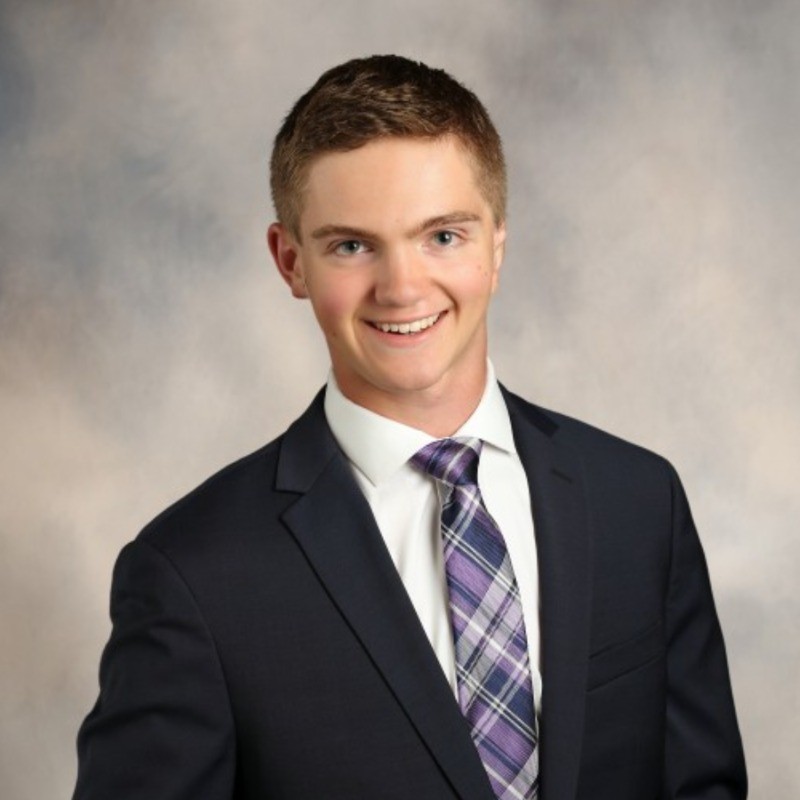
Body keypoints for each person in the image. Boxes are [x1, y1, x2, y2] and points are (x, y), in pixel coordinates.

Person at [72, 55, 747, 800]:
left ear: (496, 243)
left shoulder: (638, 501)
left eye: (443, 237)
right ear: (291, 261)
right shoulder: (192, 574)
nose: (401, 288)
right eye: (351, 245)